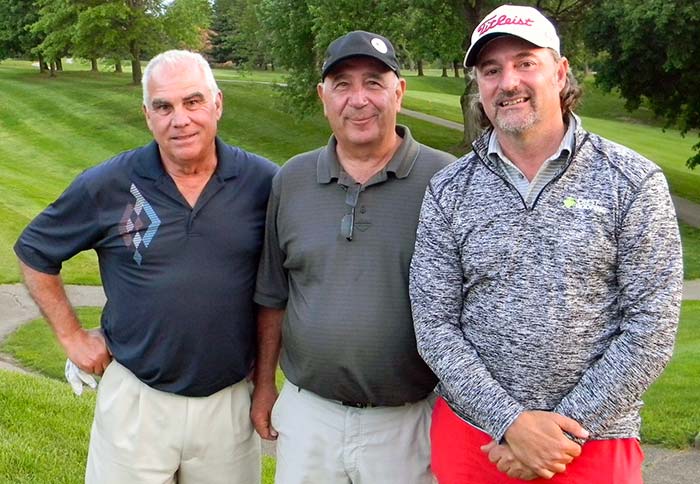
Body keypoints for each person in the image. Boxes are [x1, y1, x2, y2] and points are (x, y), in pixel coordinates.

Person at [409, 4, 683, 483]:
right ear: (479, 85)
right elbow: (434, 323)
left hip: (593, 443)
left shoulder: (633, 182)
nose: (508, 81)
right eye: (491, 70)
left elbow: (651, 327)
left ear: (560, 73)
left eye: (525, 62)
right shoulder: (449, 189)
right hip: (476, 440)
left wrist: (559, 436)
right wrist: (510, 423)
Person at [14, 50, 278, 484]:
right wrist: (72, 338)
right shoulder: (108, 184)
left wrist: (266, 382)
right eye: (163, 106)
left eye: (193, 102)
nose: (180, 119)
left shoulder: (264, 183)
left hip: (228, 403)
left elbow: (279, 289)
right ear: (146, 115)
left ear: (217, 104)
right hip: (136, 400)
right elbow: (35, 252)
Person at [251, 30, 455, 484]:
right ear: (323, 96)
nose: (358, 99)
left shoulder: (446, 180)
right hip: (309, 417)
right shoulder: (293, 179)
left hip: (408, 421)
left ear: (399, 92)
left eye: (374, 83)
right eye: (342, 84)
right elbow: (273, 295)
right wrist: (264, 386)